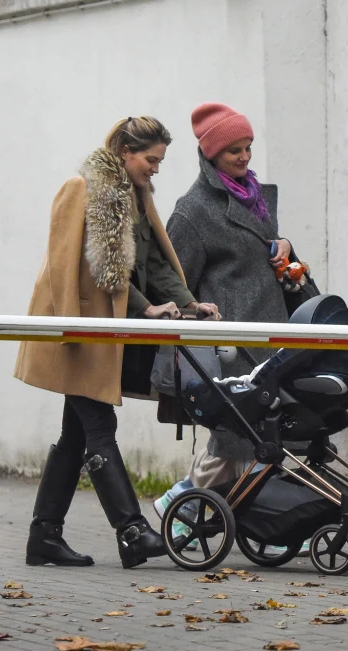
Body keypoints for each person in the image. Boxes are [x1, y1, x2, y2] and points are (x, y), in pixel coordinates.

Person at [14, 116, 220, 569]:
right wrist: (142, 310)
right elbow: (70, 269)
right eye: (151, 159)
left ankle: (44, 537)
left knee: (75, 436)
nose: (156, 169)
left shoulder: (136, 196)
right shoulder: (82, 189)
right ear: (125, 151)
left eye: (161, 161)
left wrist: (188, 302)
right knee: (99, 429)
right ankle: (131, 531)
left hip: (104, 335)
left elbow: (153, 263)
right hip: (79, 331)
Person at [153, 102, 310, 555]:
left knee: (261, 435)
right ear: (211, 155)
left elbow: (261, 254)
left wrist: (283, 248)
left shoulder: (255, 196)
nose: (244, 158)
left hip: (271, 330)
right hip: (230, 339)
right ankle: (183, 506)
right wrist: (196, 321)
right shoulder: (193, 211)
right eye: (234, 151)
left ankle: (234, 516)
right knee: (236, 437)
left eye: (248, 148)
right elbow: (172, 279)